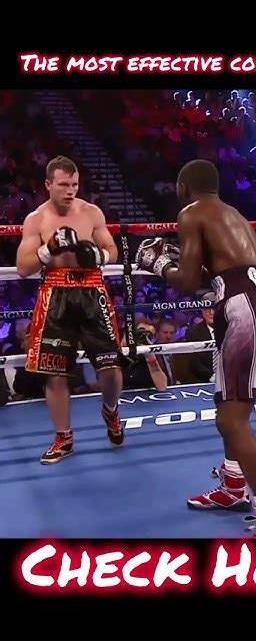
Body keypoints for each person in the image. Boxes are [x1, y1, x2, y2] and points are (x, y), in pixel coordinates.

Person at [134, 159, 256, 539]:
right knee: (228, 408)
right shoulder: (234, 216)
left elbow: (188, 282)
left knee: (232, 421)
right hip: (254, 304)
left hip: (243, 311)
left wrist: (160, 264)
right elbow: (221, 271)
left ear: (182, 188)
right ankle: (233, 487)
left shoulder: (191, 213)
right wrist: (178, 261)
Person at [16, 155, 124, 464]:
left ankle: (111, 410)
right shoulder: (36, 219)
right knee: (55, 373)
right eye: (63, 184)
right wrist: (47, 249)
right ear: (48, 184)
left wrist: (99, 257)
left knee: (111, 369)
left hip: (92, 290)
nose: (70, 190)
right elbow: (23, 267)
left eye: (74, 184)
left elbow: (112, 250)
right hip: (55, 293)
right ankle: (63, 437)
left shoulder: (91, 212)